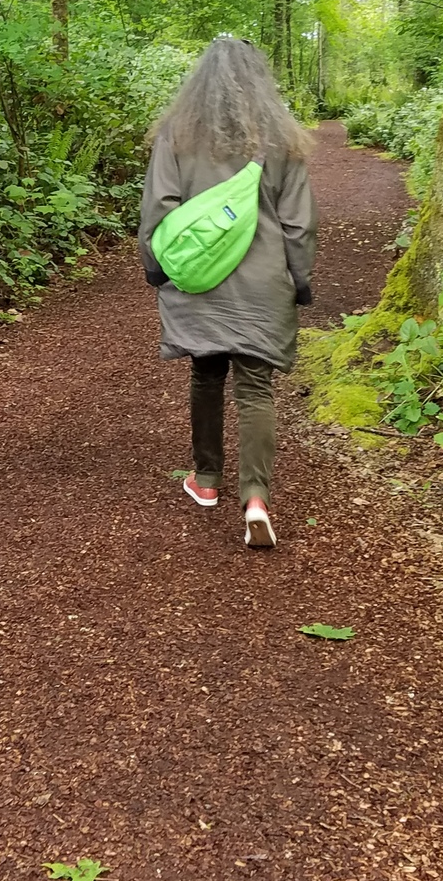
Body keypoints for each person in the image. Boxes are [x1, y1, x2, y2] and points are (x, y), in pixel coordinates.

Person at [138, 37, 317, 548]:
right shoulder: (282, 139)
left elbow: (158, 210)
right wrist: (299, 282)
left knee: (206, 371)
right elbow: (298, 225)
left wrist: (158, 270)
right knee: (256, 387)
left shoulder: (178, 133)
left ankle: (207, 480)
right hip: (264, 282)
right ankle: (256, 497)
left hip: (199, 279)